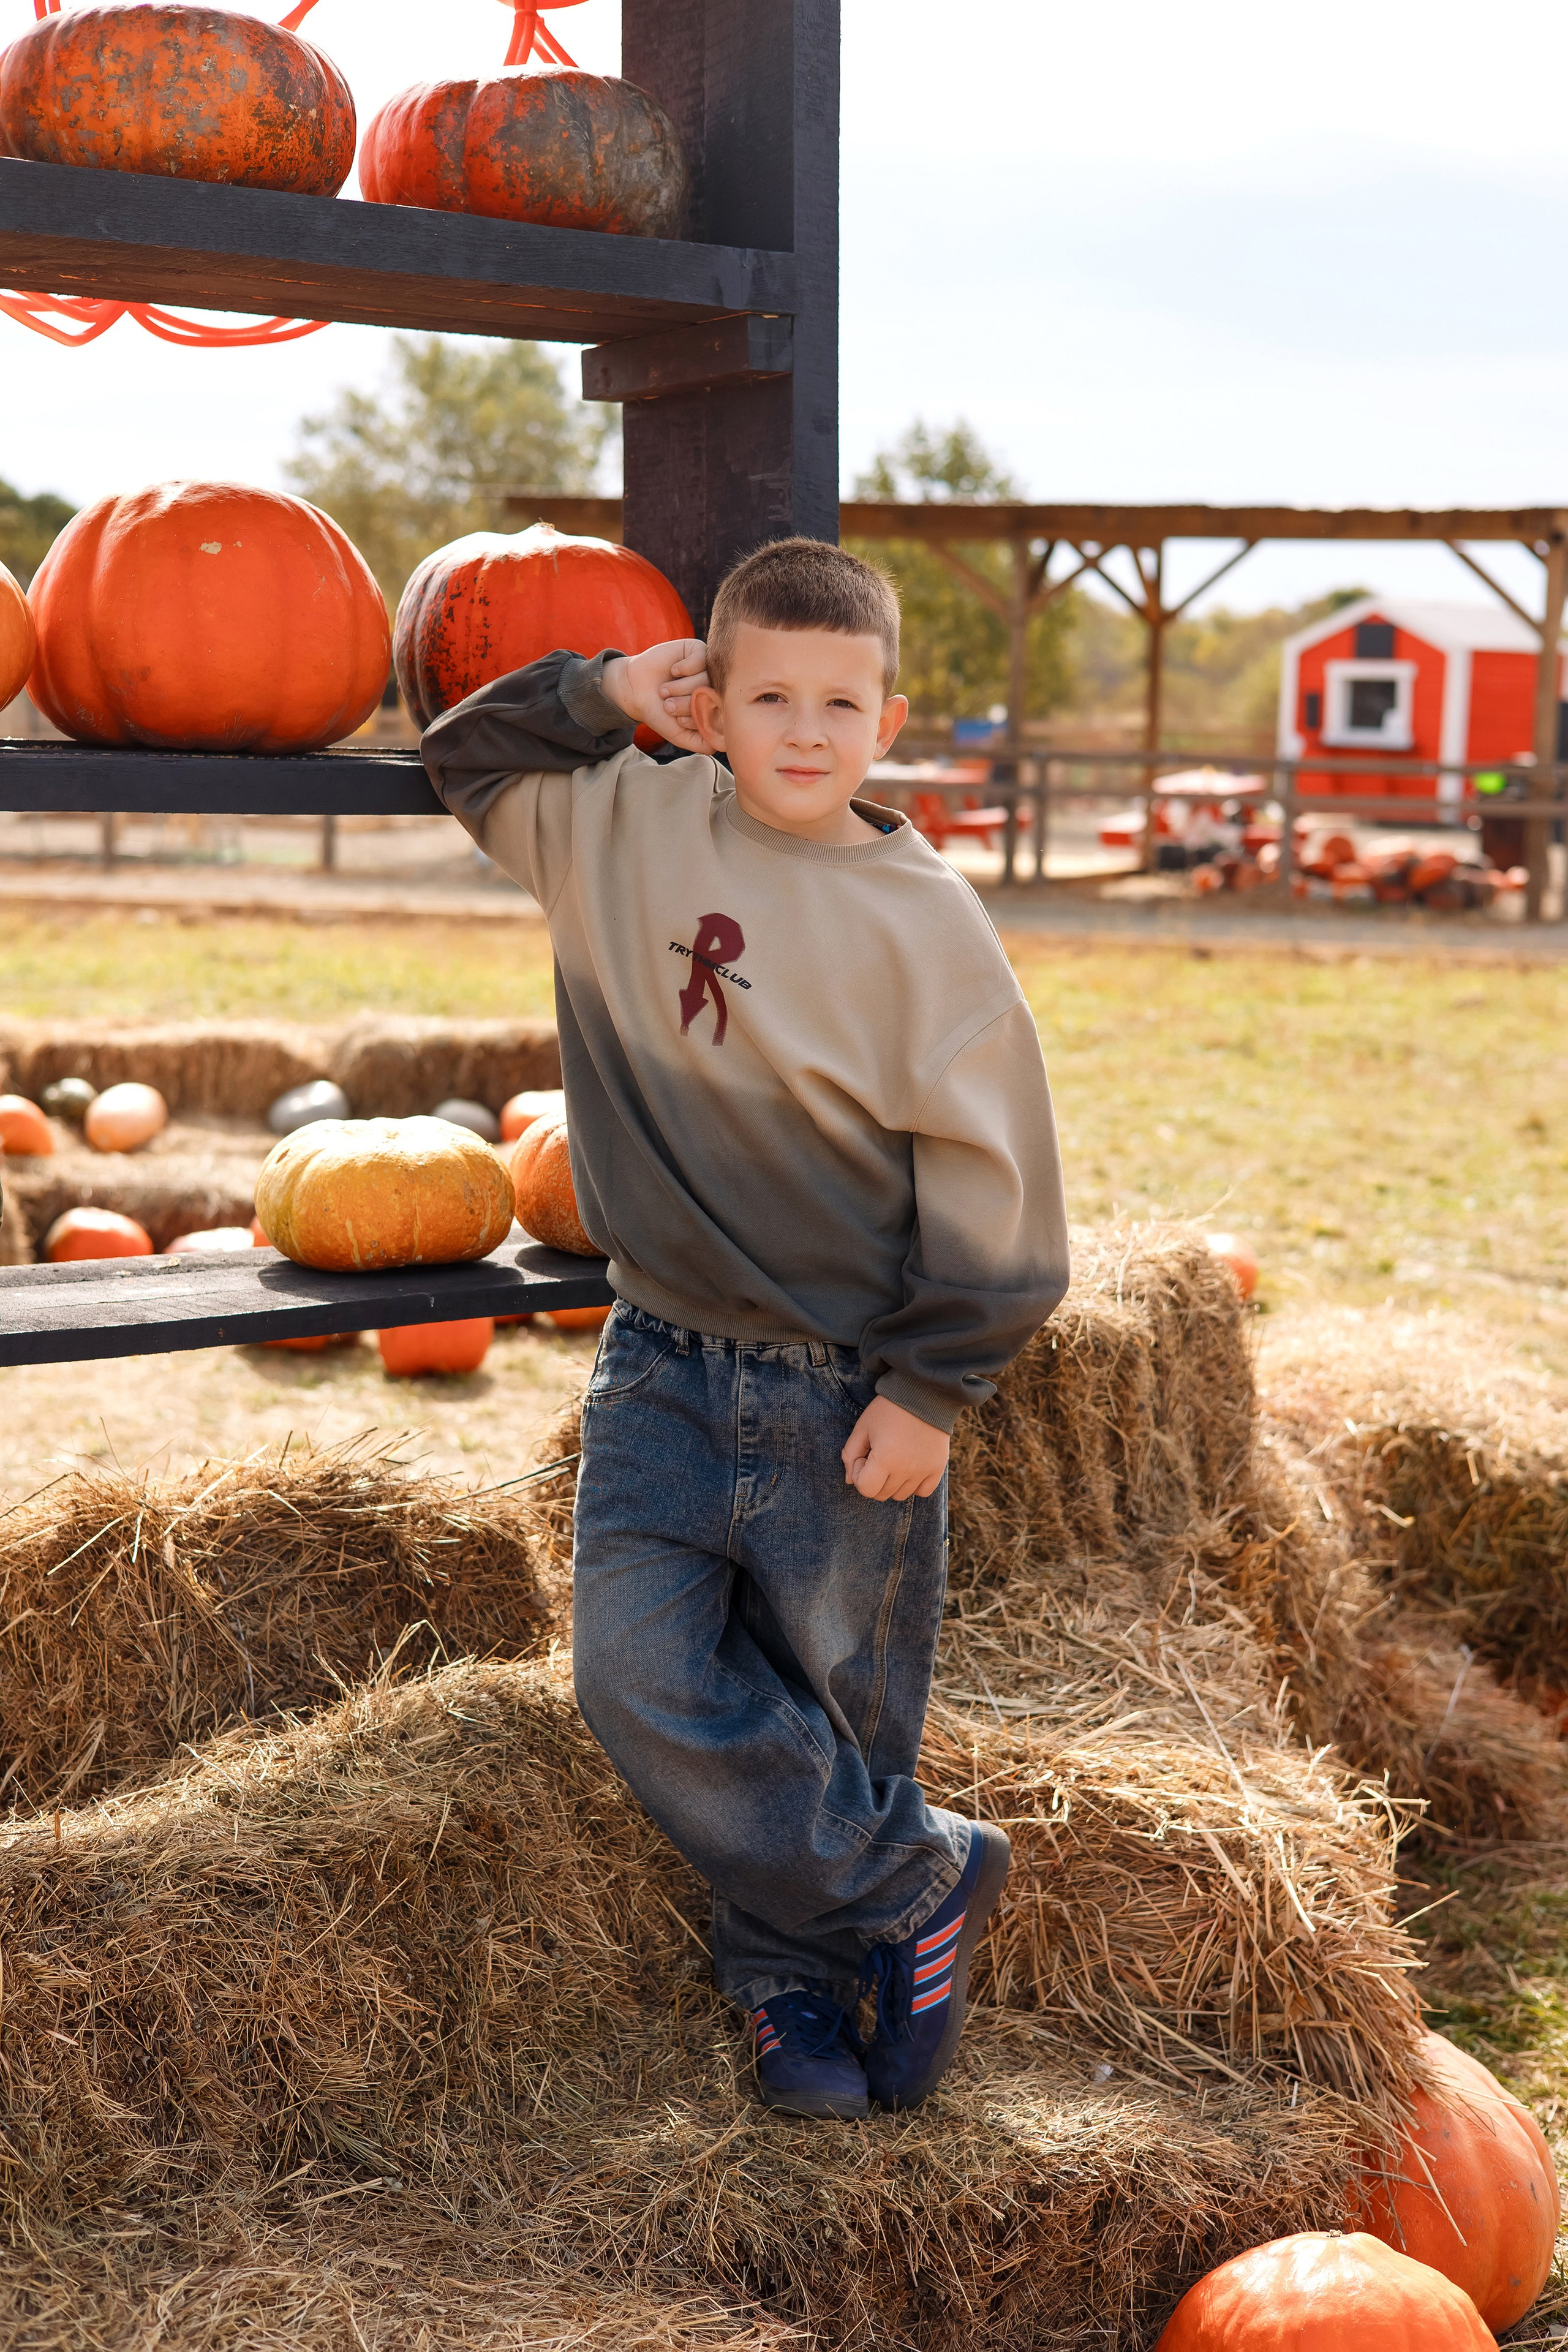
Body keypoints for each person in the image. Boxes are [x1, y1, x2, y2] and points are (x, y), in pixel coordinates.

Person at [421, 537, 1069, 2122]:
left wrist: (932, 1387)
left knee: (832, 1697)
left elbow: (1002, 1183)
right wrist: (599, 689)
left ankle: (788, 1987)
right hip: (658, 1360)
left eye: (837, 702)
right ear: (707, 704)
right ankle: (919, 1886)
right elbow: (458, 756)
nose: (800, 729)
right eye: (763, 692)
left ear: (890, 723)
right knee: (634, 1677)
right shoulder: (619, 826)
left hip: (842, 1385)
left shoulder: (928, 929)